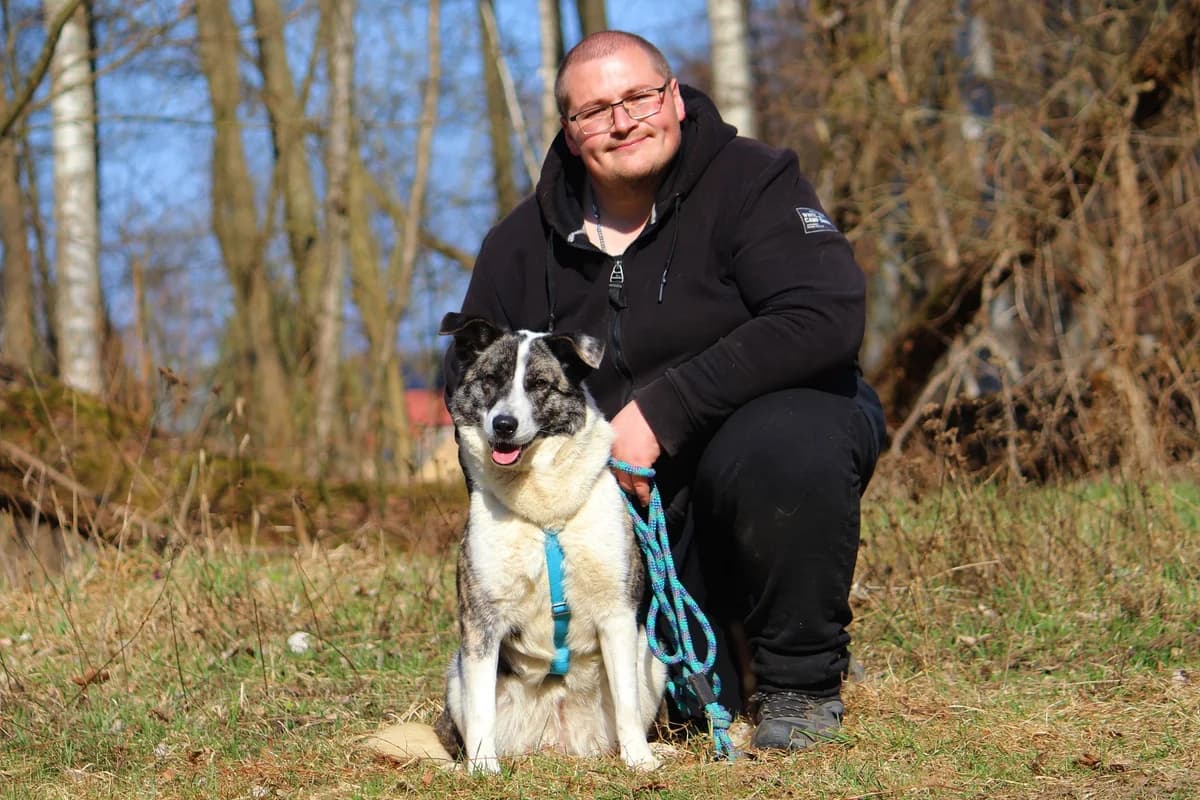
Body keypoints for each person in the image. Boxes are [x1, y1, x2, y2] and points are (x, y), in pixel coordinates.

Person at [444, 30, 887, 750]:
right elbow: (466, 392)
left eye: (638, 97)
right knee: (681, 707)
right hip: (620, 506)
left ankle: (799, 685)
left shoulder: (755, 181)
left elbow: (824, 314)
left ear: (674, 97)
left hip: (759, 445)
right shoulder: (518, 245)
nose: (622, 121)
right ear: (570, 130)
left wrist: (659, 413)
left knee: (788, 443)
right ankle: (713, 662)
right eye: (594, 111)